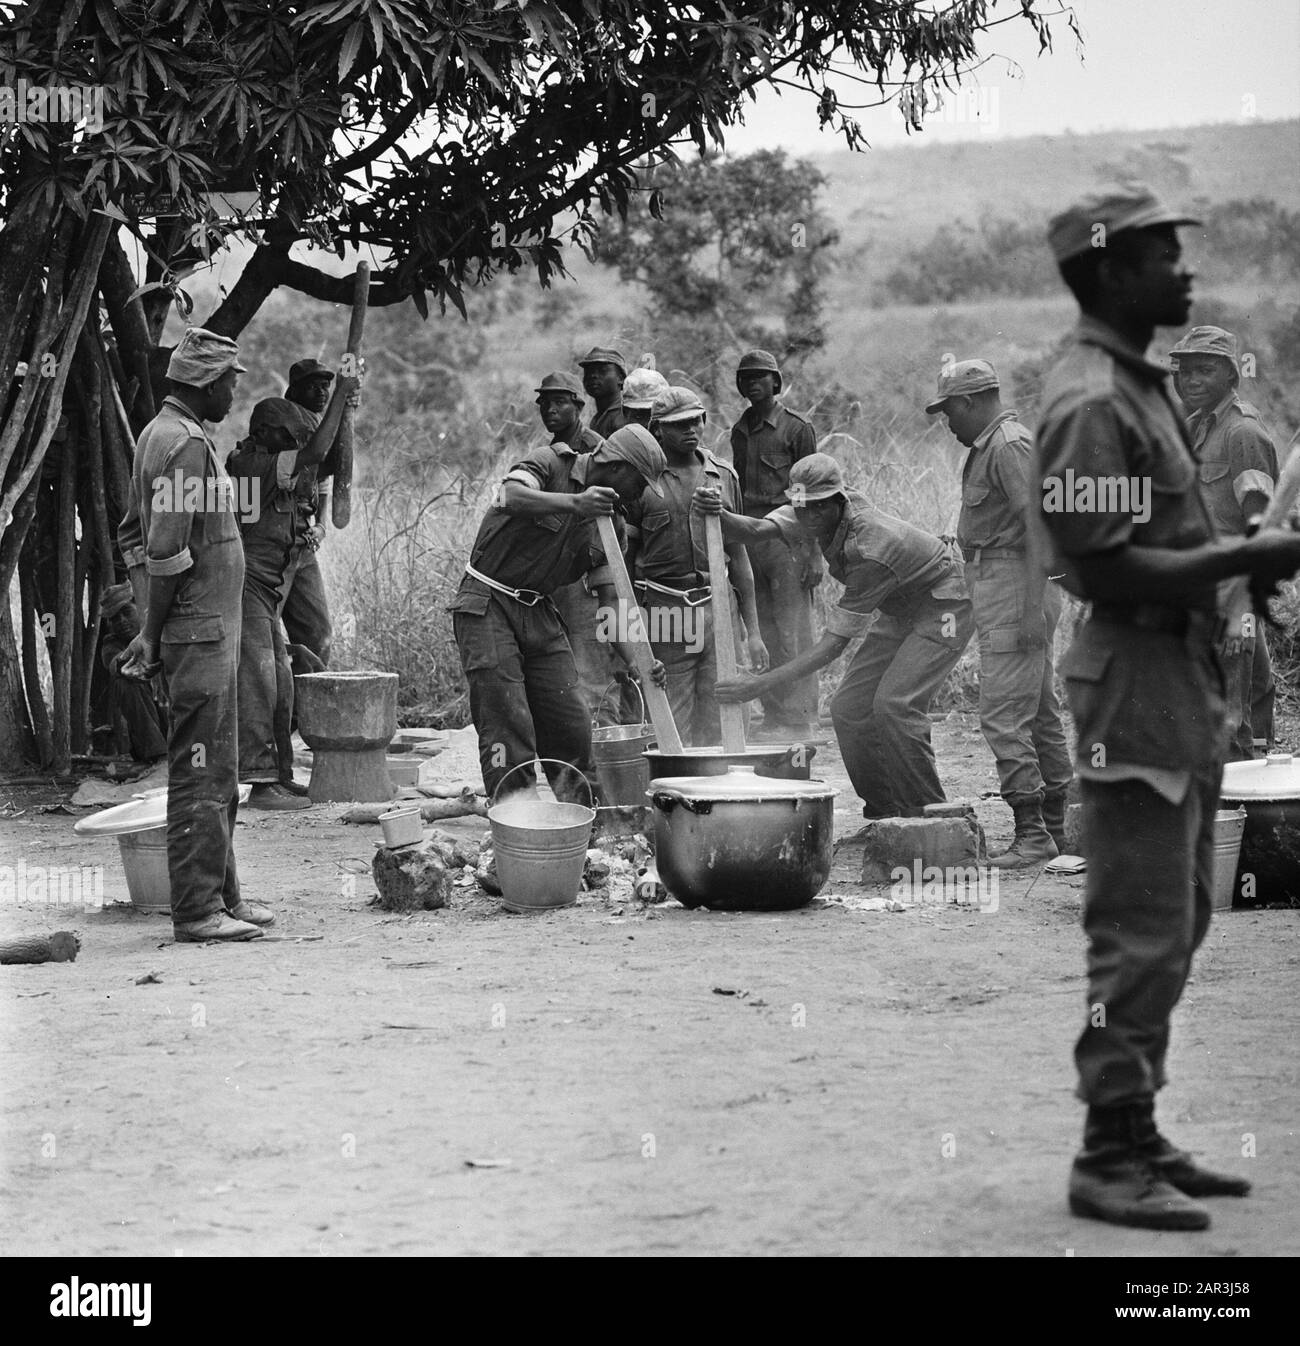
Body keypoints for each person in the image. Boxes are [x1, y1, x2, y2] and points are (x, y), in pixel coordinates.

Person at [1034, 185, 1300, 1230]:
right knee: (1139, 929)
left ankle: (1136, 1124)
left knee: (1181, 916)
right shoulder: (1094, 399)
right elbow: (1097, 569)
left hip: (1173, 680)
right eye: (1158, 256)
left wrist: (1236, 573)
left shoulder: (1139, 389)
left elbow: (1164, 543)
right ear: (1105, 272)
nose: (1183, 272)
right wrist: (1243, 554)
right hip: (1131, 688)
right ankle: (1106, 1152)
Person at [698, 453, 973, 818]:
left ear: (837, 501)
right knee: (848, 708)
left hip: (945, 605)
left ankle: (932, 815)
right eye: (801, 507)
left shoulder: (870, 548)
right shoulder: (814, 513)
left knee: (896, 705)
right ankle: (885, 813)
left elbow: (832, 646)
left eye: (816, 509)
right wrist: (716, 509)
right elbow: (754, 531)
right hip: (901, 608)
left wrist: (759, 685)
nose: (807, 517)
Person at [116, 327, 273, 943]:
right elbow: (164, 549)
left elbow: (136, 535)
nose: (235, 391)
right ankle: (198, 911)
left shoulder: (167, 434)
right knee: (201, 770)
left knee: (219, 767)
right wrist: (152, 636)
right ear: (206, 382)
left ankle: (222, 896)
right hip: (199, 634)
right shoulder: (182, 444)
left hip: (206, 631)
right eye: (231, 380)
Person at [450, 423, 668, 802]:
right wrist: (575, 503)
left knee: (571, 724)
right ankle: (516, 823)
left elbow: (611, 603)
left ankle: (589, 827)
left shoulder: (613, 524)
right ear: (619, 468)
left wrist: (638, 662)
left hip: (540, 612)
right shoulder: (551, 463)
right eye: (641, 482)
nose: (641, 494)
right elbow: (508, 495)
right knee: (507, 722)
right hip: (488, 604)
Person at [926, 359, 1073, 865]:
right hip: (1007, 586)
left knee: (1003, 717)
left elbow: (1041, 526)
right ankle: (1056, 827)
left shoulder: (1007, 444)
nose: (948, 423)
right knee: (1040, 711)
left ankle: (1033, 834)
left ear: (969, 401)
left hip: (1016, 588)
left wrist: (1032, 609)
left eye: (950, 411)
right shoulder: (996, 444)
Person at [625, 386, 767, 746]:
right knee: (671, 718)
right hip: (665, 609)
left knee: (728, 712)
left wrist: (754, 633)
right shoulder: (641, 482)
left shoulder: (722, 476)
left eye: (696, 421)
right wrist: (631, 636)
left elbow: (739, 560)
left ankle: (724, 796)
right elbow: (625, 569)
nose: (691, 429)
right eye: (678, 424)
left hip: (719, 607)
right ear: (658, 430)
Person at [1169, 325, 1279, 759]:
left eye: (1204, 371)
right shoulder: (1196, 427)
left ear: (1231, 376)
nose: (1191, 380)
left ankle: (1236, 814)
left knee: (1227, 717)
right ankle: (1262, 806)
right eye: (1184, 371)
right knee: (1249, 695)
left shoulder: (1242, 434)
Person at [225, 397, 334, 810]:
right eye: (286, 437)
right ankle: (259, 778)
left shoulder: (267, 464)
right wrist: (342, 390)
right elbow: (319, 451)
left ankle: (279, 774)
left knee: (281, 679)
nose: (292, 444)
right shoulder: (252, 464)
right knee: (258, 682)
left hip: (266, 590)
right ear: (263, 434)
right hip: (247, 584)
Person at [729, 350, 821, 738]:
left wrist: (814, 553)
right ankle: (773, 712)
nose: (752, 383)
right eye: (745, 377)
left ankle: (799, 717)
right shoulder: (739, 429)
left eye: (760, 377)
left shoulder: (797, 430)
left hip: (788, 539)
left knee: (792, 630)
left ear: (776, 383)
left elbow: (814, 494)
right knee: (761, 629)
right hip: (751, 538)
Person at [534, 371, 616, 723]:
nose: (550, 410)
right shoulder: (548, 453)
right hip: (557, 574)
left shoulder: (597, 448)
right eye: (544, 403)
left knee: (595, 668)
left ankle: (606, 751)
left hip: (589, 576)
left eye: (559, 402)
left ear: (578, 406)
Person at [280, 358, 339, 665]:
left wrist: (322, 525)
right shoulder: (286, 423)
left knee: (318, 635)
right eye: (313, 387)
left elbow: (323, 479)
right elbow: (315, 458)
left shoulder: (318, 424)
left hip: (304, 543)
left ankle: (304, 711)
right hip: (274, 545)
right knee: (261, 638)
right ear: (295, 391)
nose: (321, 393)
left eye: (326, 387)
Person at [99, 582, 168, 762]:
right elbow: (114, 664)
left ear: (141, 608)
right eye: (114, 618)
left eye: (126, 612)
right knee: (123, 682)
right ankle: (158, 756)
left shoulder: (165, 630)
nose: (121, 621)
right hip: (150, 739)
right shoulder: (111, 643)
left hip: (178, 723)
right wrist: (134, 658)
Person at [578, 346, 629, 439]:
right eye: (588, 372)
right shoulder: (600, 417)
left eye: (602, 371)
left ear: (621, 378)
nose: (593, 376)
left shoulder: (623, 416)